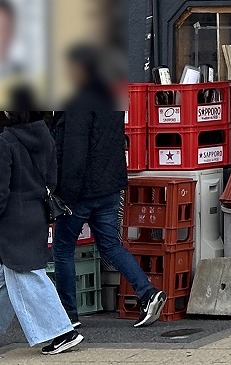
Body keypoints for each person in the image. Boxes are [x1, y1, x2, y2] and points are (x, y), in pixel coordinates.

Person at [51, 47, 166, 330]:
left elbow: (75, 152)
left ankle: (68, 315)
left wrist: (64, 194)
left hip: (81, 191)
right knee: (110, 245)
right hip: (109, 185)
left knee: (63, 250)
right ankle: (148, 293)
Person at [0, 103, 83, 355]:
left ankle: (63, 331)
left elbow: (0, 191)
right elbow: (52, 180)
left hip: (11, 221)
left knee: (29, 277)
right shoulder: (45, 136)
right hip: (35, 214)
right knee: (6, 278)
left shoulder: (4, 142)